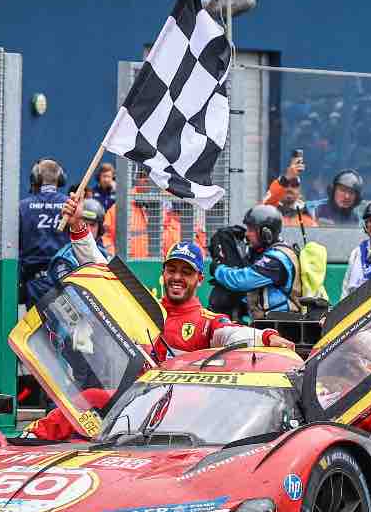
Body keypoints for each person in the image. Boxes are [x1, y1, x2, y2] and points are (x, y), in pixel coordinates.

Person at [24, 200, 294, 440]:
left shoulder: (208, 321)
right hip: (136, 407)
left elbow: (233, 334)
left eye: (186, 272)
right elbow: (98, 269)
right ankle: (27, 440)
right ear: (163, 273)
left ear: (199, 279)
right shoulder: (143, 307)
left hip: (182, 418)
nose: (177, 277)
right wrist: (78, 228)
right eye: (172, 270)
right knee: (89, 398)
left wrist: (268, 337)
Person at [212, 204, 302, 319]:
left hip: (282, 322)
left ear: (266, 233)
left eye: (251, 230)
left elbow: (241, 281)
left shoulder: (277, 259)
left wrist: (218, 269)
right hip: (271, 320)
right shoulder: (273, 251)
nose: (246, 234)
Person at [19, 159, 70, 307]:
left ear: (35, 178)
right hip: (66, 280)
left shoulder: (23, 207)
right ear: (61, 178)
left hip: (36, 284)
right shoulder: (70, 206)